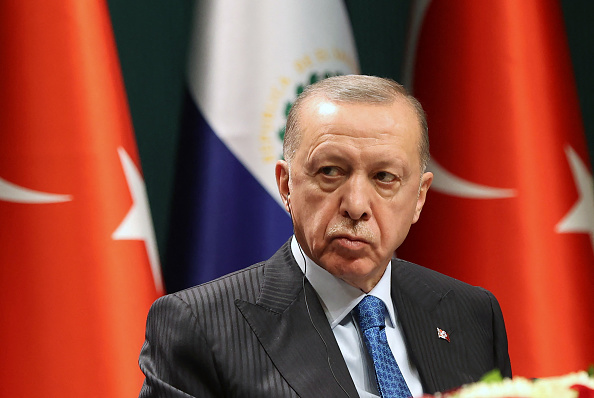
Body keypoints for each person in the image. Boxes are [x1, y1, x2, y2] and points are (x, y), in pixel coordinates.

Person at [138, 75, 511, 398]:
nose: (356, 205)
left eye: (384, 177)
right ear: (287, 186)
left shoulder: (472, 314)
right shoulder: (198, 326)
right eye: (331, 171)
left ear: (419, 197)